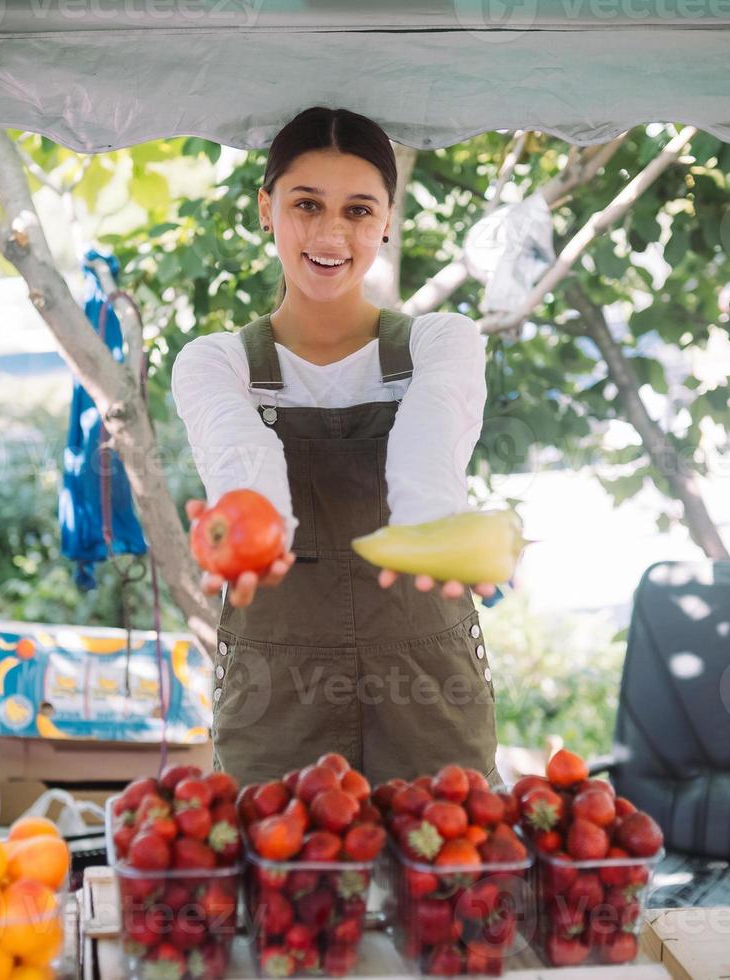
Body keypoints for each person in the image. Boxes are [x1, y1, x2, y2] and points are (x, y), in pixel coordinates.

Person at [170, 105, 500, 786]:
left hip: (427, 684)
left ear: (386, 218)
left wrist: (429, 529)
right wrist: (255, 536)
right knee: (278, 881)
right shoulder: (216, 362)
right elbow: (242, 463)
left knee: (448, 877)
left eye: (356, 210)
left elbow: (431, 439)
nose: (329, 232)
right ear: (266, 209)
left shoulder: (440, 344)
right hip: (276, 693)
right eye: (305, 204)